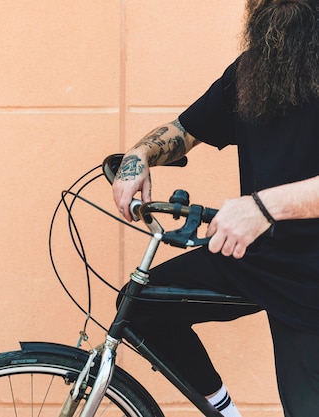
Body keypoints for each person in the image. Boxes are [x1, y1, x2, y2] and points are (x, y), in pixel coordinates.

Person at [112, 1, 319, 416]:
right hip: (258, 258)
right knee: (144, 304)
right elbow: (186, 130)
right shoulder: (253, 71)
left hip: (312, 279)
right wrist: (138, 157)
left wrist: (263, 207)